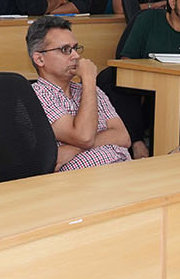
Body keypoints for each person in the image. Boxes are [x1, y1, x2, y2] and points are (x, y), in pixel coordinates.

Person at [27, 16, 133, 171]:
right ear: (40, 59)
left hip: (123, 168)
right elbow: (84, 136)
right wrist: (89, 79)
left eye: (75, 48)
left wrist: (75, 148)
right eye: (65, 50)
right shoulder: (37, 96)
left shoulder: (91, 90)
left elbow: (123, 136)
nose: (76, 56)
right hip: (85, 183)